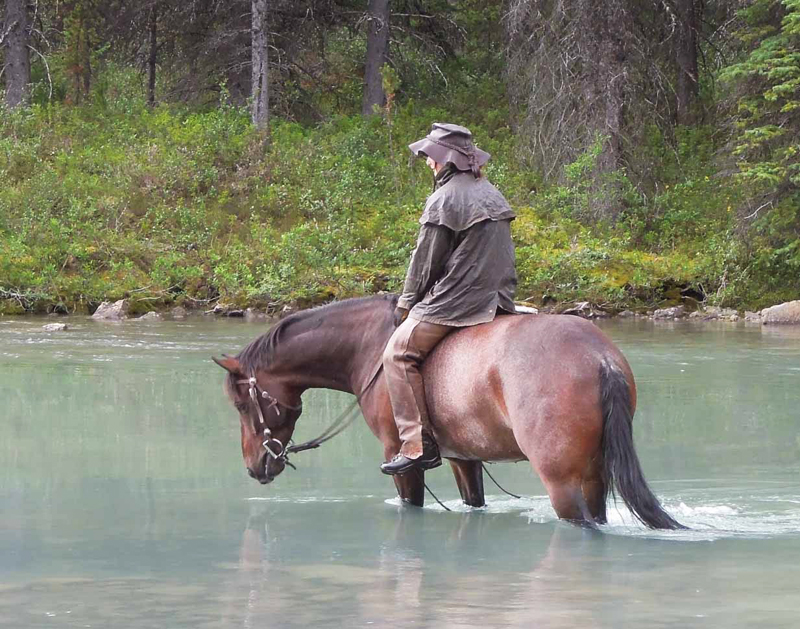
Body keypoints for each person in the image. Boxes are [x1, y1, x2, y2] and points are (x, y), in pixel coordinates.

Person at [380, 123, 518, 476]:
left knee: (397, 354)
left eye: (430, 156)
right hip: (498, 296)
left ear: (445, 160)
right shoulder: (490, 192)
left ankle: (417, 445)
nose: (428, 162)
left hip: (457, 302)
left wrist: (406, 303)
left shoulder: (444, 199)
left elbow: (425, 261)